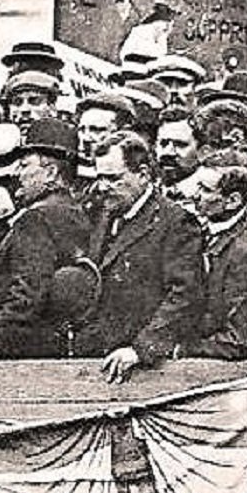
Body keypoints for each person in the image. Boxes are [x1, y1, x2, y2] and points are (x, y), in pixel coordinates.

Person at [0, 119, 93, 376]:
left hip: (15, 359)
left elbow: (27, 295)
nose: (15, 174)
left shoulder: (37, 218)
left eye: (23, 166)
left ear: (52, 173)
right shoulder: (72, 212)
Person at [74, 130, 204, 382]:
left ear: (143, 174)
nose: (103, 187)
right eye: (100, 177)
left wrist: (142, 348)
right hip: (98, 356)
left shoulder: (176, 222)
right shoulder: (104, 211)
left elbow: (185, 295)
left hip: (140, 367)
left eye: (113, 178)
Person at [188, 150, 247, 360]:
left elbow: (236, 339)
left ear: (233, 200)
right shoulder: (206, 226)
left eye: (205, 190)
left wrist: (180, 348)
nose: (194, 195)